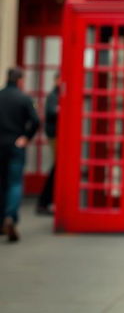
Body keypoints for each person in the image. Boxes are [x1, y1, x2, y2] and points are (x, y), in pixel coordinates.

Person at [0, 67, 40, 242]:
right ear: (20, 81)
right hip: (16, 144)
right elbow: (36, 121)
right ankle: (10, 217)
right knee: (14, 183)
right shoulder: (24, 99)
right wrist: (26, 137)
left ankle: (1, 221)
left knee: (1, 184)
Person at [36, 72, 60, 215]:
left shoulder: (59, 94)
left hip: (59, 136)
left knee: (57, 168)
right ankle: (44, 201)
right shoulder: (53, 95)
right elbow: (51, 112)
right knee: (56, 168)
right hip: (54, 136)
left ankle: (47, 201)